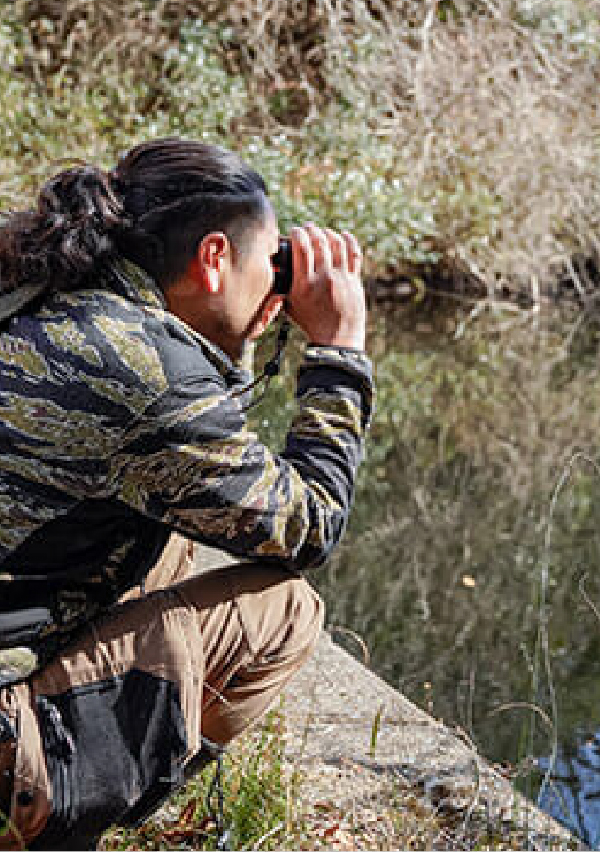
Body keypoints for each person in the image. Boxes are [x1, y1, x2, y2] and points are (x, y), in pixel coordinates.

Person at [0, 138, 373, 849]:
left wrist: (230, 347)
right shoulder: (151, 375)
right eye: (269, 263)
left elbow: (189, 463)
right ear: (212, 258)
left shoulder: (38, 282)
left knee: (165, 536)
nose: (276, 283)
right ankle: (65, 814)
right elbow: (309, 524)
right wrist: (339, 354)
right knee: (285, 610)